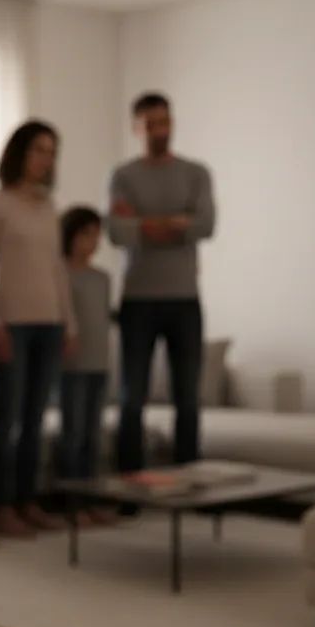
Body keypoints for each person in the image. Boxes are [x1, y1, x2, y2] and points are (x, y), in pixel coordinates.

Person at [0, 121, 78, 538]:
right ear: (20, 152)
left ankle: (27, 501)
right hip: (12, 325)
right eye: (39, 149)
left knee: (36, 420)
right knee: (9, 420)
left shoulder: (49, 207)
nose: (46, 158)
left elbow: (57, 268)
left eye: (52, 151)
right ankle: (1, 507)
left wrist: (69, 323)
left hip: (50, 325)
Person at [108, 93, 216, 473]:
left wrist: (145, 223)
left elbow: (206, 225)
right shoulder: (124, 176)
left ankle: (190, 480)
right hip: (138, 299)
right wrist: (175, 223)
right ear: (137, 128)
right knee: (131, 397)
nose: (160, 131)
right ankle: (129, 485)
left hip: (185, 299)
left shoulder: (196, 173)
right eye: (152, 124)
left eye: (165, 122)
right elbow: (119, 233)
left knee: (188, 397)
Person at [57, 206, 116, 524]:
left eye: (97, 235)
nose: (93, 242)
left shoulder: (102, 278)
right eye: (86, 234)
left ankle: (93, 502)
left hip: (99, 365)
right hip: (72, 368)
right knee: (74, 434)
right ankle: (72, 506)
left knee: (93, 436)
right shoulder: (59, 275)